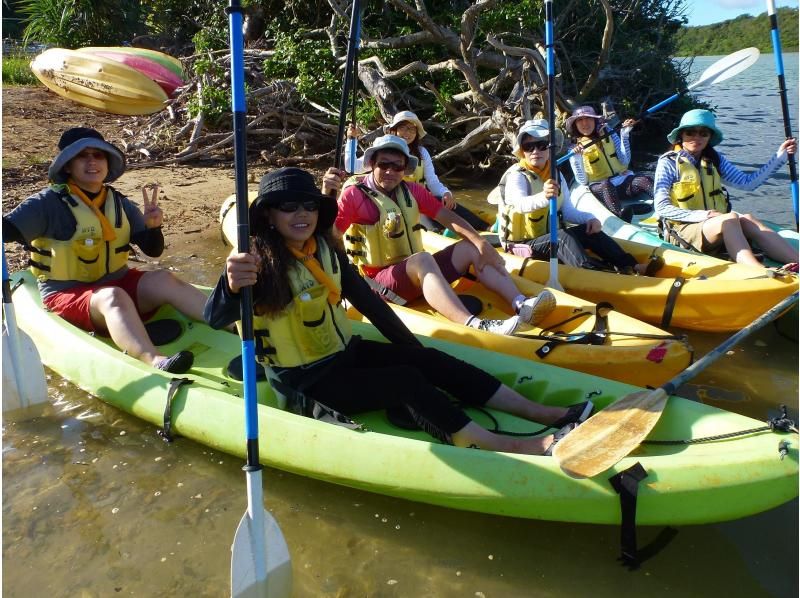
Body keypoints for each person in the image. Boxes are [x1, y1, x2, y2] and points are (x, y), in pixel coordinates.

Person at [203, 167, 592, 454]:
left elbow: (370, 304)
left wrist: (415, 350)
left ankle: (543, 412)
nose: (301, 213)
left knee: (428, 360)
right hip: (304, 383)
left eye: (309, 205)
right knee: (405, 380)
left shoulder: (323, 248)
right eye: (289, 207)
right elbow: (214, 317)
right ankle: (501, 445)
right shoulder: (254, 263)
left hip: (343, 355)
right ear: (269, 214)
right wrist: (230, 284)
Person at [2, 127, 207, 373]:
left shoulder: (118, 202)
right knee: (113, 296)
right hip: (66, 293)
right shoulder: (46, 204)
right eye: (82, 156)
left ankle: (236, 325)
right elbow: (7, 231)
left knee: (164, 279)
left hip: (117, 282)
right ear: (67, 166)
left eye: (98, 155)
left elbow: (153, 251)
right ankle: (156, 361)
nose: (92, 162)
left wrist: (153, 228)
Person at [335, 134, 557, 336]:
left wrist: (481, 244)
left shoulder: (411, 190)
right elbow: (330, 236)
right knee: (423, 259)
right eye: (384, 165)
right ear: (372, 164)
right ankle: (473, 325)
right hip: (380, 287)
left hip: (413, 277)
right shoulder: (354, 196)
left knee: (471, 246)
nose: (391, 171)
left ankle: (520, 304)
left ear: (405, 168)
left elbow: (446, 217)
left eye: (397, 166)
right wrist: (327, 195)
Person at [491, 119, 660, 275]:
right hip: (522, 244)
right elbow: (520, 204)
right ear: (522, 150)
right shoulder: (516, 176)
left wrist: (589, 218)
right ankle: (597, 274)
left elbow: (568, 210)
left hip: (548, 238)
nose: (535, 151)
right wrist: (544, 196)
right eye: (529, 147)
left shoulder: (555, 173)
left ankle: (633, 265)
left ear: (550, 148)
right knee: (563, 237)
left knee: (590, 231)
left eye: (542, 145)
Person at [654, 109, 798, 269]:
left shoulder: (714, 160)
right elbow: (661, 208)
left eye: (703, 133)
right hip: (682, 230)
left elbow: (747, 183)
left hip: (713, 227)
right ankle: (759, 270)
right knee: (729, 219)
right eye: (690, 132)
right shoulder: (668, 163)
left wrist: (780, 156)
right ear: (681, 135)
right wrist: (704, 215)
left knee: (748, 218)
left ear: (709, 137)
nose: (697, 137)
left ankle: (796, 259)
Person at [346, 110, 489, 231]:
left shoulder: (422, 153)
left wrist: (446, 193)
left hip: (419, 199)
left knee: (443, 201)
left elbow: (432, 181)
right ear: (394, 130)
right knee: (426, 220)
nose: (407, 133)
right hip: (392, 204)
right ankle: (440, 232)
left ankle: (485, 228)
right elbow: (351, 167)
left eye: (411, 129)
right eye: (403, 127)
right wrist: (351, 140)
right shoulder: (382, 150)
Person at [565, 106, 654, 223]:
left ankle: (664, 203)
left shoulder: (610, 133)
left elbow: (625, 160)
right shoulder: (574, 148)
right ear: (575, 125)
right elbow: (582, 181)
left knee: (644, 179)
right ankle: (619, 216)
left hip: (622, 182)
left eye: (588, 118)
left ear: (595, 120)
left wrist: (624, 134)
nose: (585, 123)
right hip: (600, 187)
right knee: (606, 185)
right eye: (580, 120)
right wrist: (576, 158)